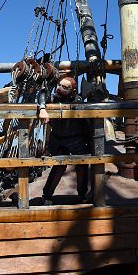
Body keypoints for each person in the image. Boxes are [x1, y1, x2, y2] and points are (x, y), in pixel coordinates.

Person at [38, 75, 91, 204]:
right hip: (58, 138)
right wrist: (42, 108)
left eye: (64, 87)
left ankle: (82, 195)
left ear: (73, 91)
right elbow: (42, 93)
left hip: (76, 139)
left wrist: (89, 141)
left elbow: (87, 123)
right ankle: (47, 195)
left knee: (82, 166)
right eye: (59, 85)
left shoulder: (78, 102)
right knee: (59, 166)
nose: (58, 89)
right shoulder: (52, 99)